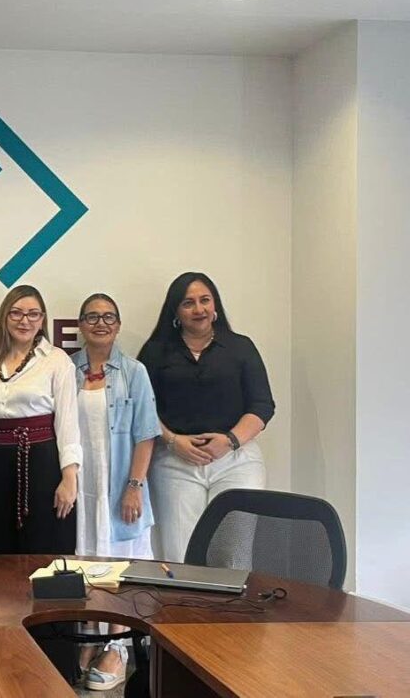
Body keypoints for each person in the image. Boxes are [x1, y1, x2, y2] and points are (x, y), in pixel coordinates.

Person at [138, 271, 275, 563]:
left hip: (236, 461)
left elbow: (263, 405)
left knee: (233, 554)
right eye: (188, 303)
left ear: (215, 306)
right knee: (179, 554)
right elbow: (143, 407)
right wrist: (173, 441)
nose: (198, 309)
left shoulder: (240, 347)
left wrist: (230, 440)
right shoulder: (155, 352)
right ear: (176, 311)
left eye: (205, 300)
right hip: (175, 462)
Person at [71, 293, 160, 692]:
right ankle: (89, 636)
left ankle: (118, 648)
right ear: (81, 325)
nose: (101, 323)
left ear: (119, 325)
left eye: (109, 317)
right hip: (82, 489)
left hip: (120, 486)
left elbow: (146, 434)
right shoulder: (67, 368)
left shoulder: (134, 372)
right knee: (86, 566)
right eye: (92, 317)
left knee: (120, 570)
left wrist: (134, 487)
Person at [0, 285, 81, 555]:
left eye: (33, 314)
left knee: (43, 543)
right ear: (4, 317)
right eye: (16, 313)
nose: (24, 321)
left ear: (42, 319)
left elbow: (67, 423)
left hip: (42, 463)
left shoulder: (57, 361)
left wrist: (69, 478)